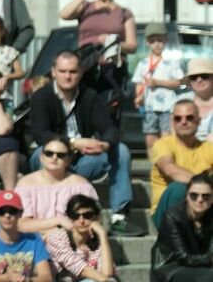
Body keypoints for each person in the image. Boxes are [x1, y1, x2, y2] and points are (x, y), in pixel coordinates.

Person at [28, 51, 134, 231]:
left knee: (121, 150)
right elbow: (39, 133)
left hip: (83, 160)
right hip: (55, 157)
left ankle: (119, 216)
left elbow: (109, 128)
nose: (67, 76)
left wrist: (104, 144)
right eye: (62, 71)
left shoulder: (90, 96)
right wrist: (73, 142)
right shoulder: (41, 96)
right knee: (42, 154)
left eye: (72, 71)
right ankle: (47, 216)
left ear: (80, 72)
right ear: (53, 72)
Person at [59, 0, 137, 105]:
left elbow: (132, 45)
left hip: (111, 69)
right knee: (84, 110)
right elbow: (64, 14)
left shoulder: (123, 13)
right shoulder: (86, 7)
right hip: (86, 66)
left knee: (109, 113)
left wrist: (112, 41)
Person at [45, 194, 119, 282]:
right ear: (69, 218)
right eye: (75, 216)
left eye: (87, 215)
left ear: (97, 217)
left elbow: (107, 273)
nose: (82, 220)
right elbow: (81, 269)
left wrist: (103, 235)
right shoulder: (57, 237)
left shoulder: (98, 244)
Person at [15, 135, 98, 235]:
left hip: (72, 243)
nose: (54, 157)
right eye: (49, 153)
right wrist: (58, 221)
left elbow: (93, 221)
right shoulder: (25, 184)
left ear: (68, 159)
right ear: (41, 157)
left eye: (61, 155)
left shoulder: (81, 185)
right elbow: (21, 225)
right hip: (35, 243)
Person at [149, 100, 213, 225]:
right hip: (167, 214)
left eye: (189, 117)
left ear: (199, 120)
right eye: (178, 118)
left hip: (203, 211)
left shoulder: (208, 148)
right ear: (172, 122)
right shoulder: (162, 144)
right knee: (178, 188)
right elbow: (170, 169)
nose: (183, 122)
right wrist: (203, 185)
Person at [132, 22, 184, 153]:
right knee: (150, 139)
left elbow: (178, 82)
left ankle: (168, 168)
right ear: (147, 43)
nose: (156, 44)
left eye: (160, 40)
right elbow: (139, 83)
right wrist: (138, 97)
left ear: (166, 40)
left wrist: (158, 82)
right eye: (152, 41)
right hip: (149, 107)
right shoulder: (143, 63)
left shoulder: (172, 62)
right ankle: (154, 168)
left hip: (168, 107)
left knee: (167, 139)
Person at [177, 57, 213, 141]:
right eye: (194, 77)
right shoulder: (180, 101)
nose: (199, 80)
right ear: (190, 82)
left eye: (204, 76)